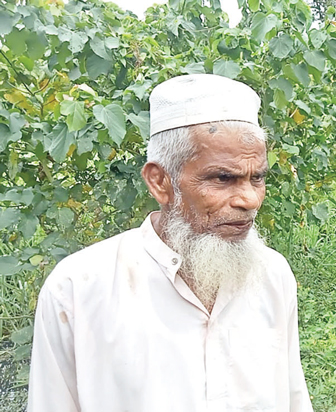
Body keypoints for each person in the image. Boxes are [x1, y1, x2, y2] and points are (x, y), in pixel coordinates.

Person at [27, 74, 314, 412]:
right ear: (160, 182)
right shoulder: (78, 288)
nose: (249, 199)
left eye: (258, 178)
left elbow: (293, 397)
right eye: (223, 178)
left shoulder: (272, 274)